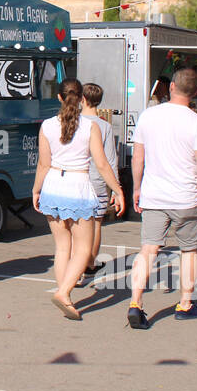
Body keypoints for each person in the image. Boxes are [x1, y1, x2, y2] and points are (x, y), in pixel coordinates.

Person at [127, 68, 197, 329]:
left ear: (172, 87)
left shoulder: (149, 116)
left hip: (154, 195)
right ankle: (185, 304)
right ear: (196, 92)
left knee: (148, 249)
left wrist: (137, 188)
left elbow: (138, 158)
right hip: (186, 198)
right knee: (189, 249)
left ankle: (135, 303)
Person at [33, 80, 125, 320]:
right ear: (82, 97)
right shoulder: (90, 127)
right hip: (78, 184)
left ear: (60, 98)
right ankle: (64, 293)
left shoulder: (47, 125)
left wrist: (36, 190)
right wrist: (117, 189)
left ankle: (65, 294)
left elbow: (43, 164)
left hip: (53, 184)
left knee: (62, 247)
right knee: (83, 249)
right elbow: (102, 164)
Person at [79, 82, 116, 283]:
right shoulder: (105, 126)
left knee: (76, 224)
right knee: (96, 223)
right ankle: (91, 264)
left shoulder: (72, 121)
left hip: (77, 179)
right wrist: (115, 188)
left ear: (81, 99)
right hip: (98, 180)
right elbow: (110, 159)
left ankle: (76, 263)